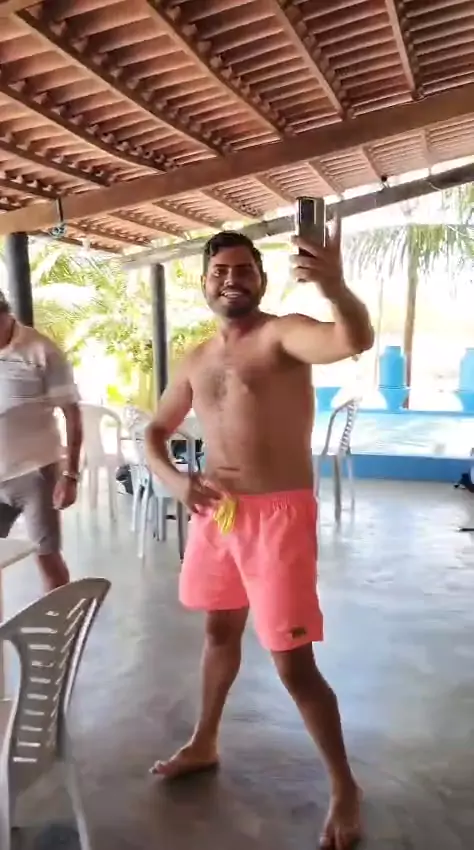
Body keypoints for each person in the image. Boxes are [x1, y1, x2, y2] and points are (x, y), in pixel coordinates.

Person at [145, 219, 374, 850]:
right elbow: (154, 432)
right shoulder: (196, 357)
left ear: (261, 279)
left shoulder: (282, 335)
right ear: (204, 283)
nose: (232, 280)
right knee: (219, 633)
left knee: (292, 662)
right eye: (220, 271)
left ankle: (345, 787)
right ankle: (205, 741)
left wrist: (336, 288)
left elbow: (353, 338)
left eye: (243, 269)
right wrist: (175, 480)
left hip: (277, 518)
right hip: (217, 515)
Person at [0, 290, 82, 592]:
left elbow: (72, 415)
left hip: (36, 474)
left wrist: (70, 475)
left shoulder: (42, 351)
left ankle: (62, 621)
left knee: (47, 557)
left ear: (6, 315)